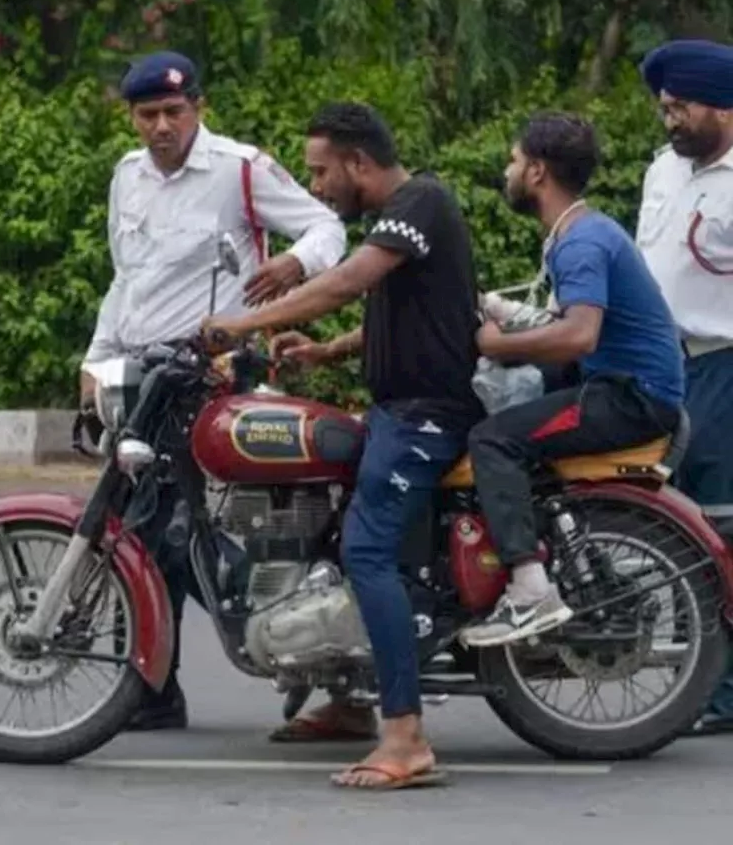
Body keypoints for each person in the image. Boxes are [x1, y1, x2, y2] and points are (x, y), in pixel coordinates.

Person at [201, 101, 482, 790]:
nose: (319, 186)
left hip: (426, 418)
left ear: (360, 162)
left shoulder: (420, 201)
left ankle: (406, 737)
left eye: (323, 172)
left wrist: (244, 323)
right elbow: (413, 313)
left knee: (365, 549)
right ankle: (349, 700)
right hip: (398, 410)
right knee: (329, 528)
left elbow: (348, 281)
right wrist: (326, 351)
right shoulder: (408, 216)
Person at [82, 50, 347, 730]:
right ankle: (160, 682)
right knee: (147, 527)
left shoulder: (240, 169)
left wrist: (291, 263)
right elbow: (126, 278)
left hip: (213, 376)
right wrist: (97, 357)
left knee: (166, 528)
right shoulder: (126, 179)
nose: (163, 125)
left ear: (198, 107)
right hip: (144, 378)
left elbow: (328, 227)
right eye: (149, 114)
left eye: (175, 111)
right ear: (133, 118)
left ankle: (195, 667)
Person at [459, 113, 684, 648]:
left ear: (537, 172)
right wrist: (496, 309)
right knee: (503, 395)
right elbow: (561, 326)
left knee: (492, 440)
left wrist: (496, 344)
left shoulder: (580, 242)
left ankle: (531, 587)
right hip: (625, 382)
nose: (508, 171)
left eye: (514, 161)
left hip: (631, 397)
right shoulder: (585, 230)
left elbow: (578, 335)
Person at [631, 39, 733, 734]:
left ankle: (724, 691)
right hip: (661, 365)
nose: (671, 122)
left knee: (722, 522)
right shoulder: (663, 170)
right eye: (665, 109)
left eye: (683, 108)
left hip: (723, 363)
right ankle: (701, 671)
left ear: (723, 108)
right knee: (678, 520)